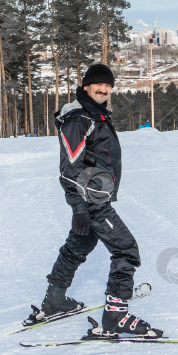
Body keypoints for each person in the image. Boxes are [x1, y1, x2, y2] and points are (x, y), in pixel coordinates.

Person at [29, 63, 162, 338]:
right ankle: (116, 317)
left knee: (77, 247)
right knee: (126, 251)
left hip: (93, 198)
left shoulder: (95, 115)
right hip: (91, 202)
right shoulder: (80, 119)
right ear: (86, 86)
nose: (104, 89)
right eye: (98, 84)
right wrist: (80, 208)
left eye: (108, 85)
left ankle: (54, 301)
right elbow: (69, 170)